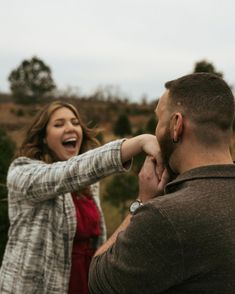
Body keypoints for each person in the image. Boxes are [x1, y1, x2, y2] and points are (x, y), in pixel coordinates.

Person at [88, 73, 235, 293]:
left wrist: (143, 202)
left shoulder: (164, 217)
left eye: (159, 120)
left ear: (176, 125)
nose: (156, 130)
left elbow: (99, 281)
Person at [0, 101, 161, 294]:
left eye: (75, 122)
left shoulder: (88, 184)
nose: (70, 128)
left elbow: (98, 243)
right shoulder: (23, 173)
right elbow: (66, 174)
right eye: (59, 124)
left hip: (83, 283)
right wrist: (138, 142)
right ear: (43, 137)